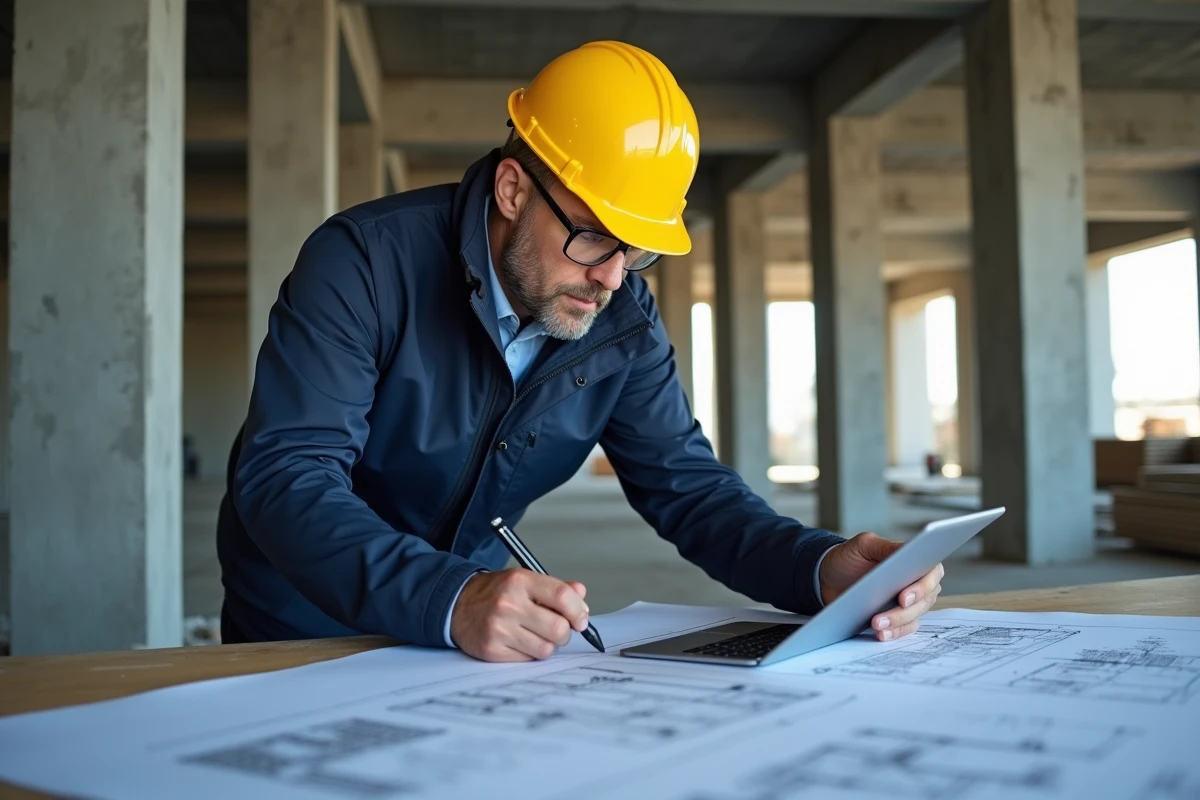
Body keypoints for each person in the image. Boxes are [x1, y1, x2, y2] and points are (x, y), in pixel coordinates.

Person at [216, 40, 944, 662]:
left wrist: (816, 567)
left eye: (634, 248)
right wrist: (449, 595)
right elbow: (287, 476)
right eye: (593, 234)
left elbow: (686, 485)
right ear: (511, 189)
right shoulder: (364, 263)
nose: (610, 276)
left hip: (472, 633)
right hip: (302, 623)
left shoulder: (621, 314)